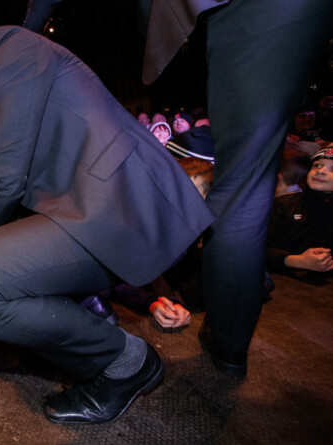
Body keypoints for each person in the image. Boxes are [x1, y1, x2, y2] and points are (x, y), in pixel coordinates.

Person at [0, 17, 213, 424]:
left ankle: (123, 362)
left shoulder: (3, 47)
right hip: (69, 210)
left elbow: (5, 175)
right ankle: (77, 333)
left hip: (114, 207)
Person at [139, 0, 333, 377]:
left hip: (248, 17)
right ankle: (231, 348)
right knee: (250, 183)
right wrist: (153, 299)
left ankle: (225, 341)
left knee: (241, 188)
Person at [266, 146, 333, 274]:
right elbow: (255, 249)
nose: (321, 171)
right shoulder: (283, 204)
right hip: (282, 285)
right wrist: (295, 260)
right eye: (317, 165)